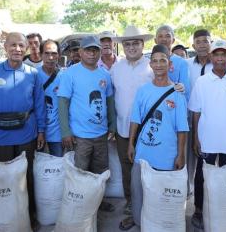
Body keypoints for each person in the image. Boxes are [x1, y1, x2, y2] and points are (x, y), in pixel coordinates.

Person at [119, 44, 188, 230]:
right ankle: (139, 222)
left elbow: (182, 128)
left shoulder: (178, 93)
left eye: (162, 61)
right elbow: (135, 119)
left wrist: (181, 154)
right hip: (143, 152)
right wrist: (131, 144)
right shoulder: (143, 91)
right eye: (155, 61)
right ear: (150, 64)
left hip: (167, 154)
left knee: (161, 194)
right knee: (138, 190)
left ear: (169, 64)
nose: (158, 65)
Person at [0, 32, 46, 227]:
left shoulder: (33, 73)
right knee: (4, 177)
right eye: (12, 45)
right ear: (5, 47)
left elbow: (39, 103)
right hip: (0, 134)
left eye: (21, 45)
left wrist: (41, 130)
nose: (17, 49)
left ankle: (29, 215)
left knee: (27, 176)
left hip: (27, 132)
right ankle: (7, 216)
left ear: (26, 48)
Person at [188, 39, 226, 229]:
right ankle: (199, 210)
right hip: (207, 139)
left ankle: (222, 211)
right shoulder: (202, 81)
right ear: (211, 57)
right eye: (217, 54)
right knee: (202, 176)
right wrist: (196, 138)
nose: (220, 58)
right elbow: (196, 112)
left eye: (224, 54)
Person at [58, 35, 117, 212]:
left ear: (100, 52)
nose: (92, 54)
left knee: (100, 172)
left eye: (95, 50)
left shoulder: (105, 74)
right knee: (80, 172)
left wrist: (112, 126)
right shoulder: (70, 74)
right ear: (81, 52)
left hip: (100, 134)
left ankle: (98, 202)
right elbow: (63, 103)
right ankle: (81, 206)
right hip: (79, 135)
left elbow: (110, 102)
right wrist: (65, 131)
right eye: (88, 50)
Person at [110, 26, 154, 216]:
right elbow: (110, 97)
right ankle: (131, 202)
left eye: (135, 43)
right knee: (126, 166)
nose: (131, 47)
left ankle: (149, 204)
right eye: (127, 44)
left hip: (148, 128)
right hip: (122, 127)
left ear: (142, 44)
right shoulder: (115, 68)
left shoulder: (152, 67)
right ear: (123, 46)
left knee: (147, 165)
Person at [38, 39, 64, 157]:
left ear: (59, 55)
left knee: (58, 166)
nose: (50, 57)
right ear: (41, 55)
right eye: (47, 53)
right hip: (37, 131)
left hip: (58, 132)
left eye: (54, 53)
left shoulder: (65, 76)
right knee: (37, 166)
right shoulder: (33, 75)